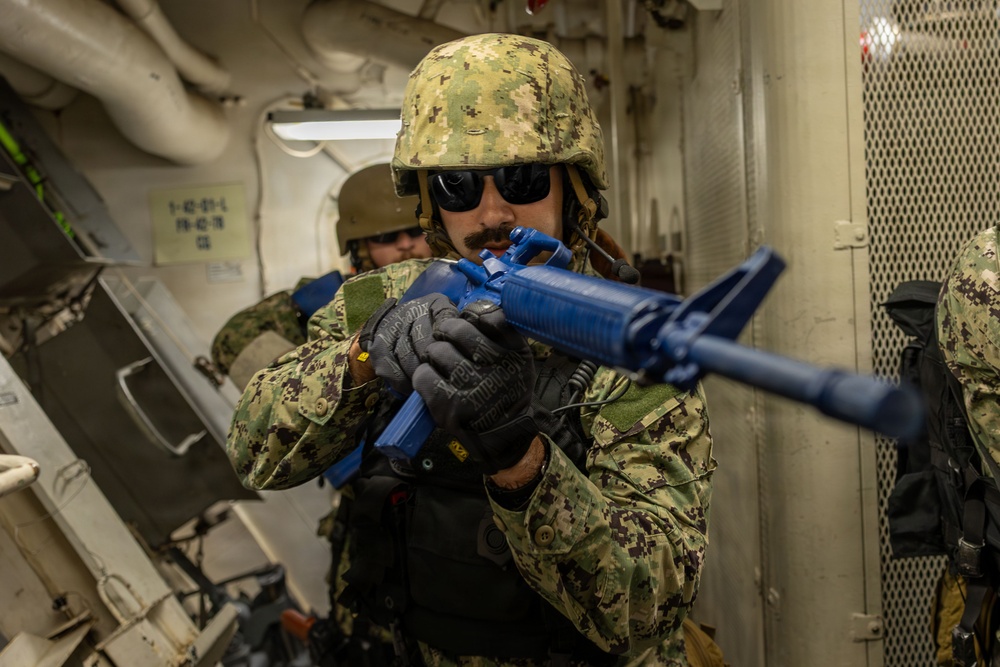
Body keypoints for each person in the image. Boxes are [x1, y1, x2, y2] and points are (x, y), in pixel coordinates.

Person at [226, 33, 716, 666]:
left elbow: (648, 609)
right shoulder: (383, 300)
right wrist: (365, 356)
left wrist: (522, 461)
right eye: (457, 186)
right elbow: (254, 454)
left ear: (575, 184)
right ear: (432, 198)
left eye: (522, 177)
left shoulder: (630, 346)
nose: (492, 212)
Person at [210, 163, 430, 389]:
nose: (405, 244)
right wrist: (309, 377)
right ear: (360, 246)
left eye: (416, 231)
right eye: (386, 237)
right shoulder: (337, 298)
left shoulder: (457, 281)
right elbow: (231, 339)